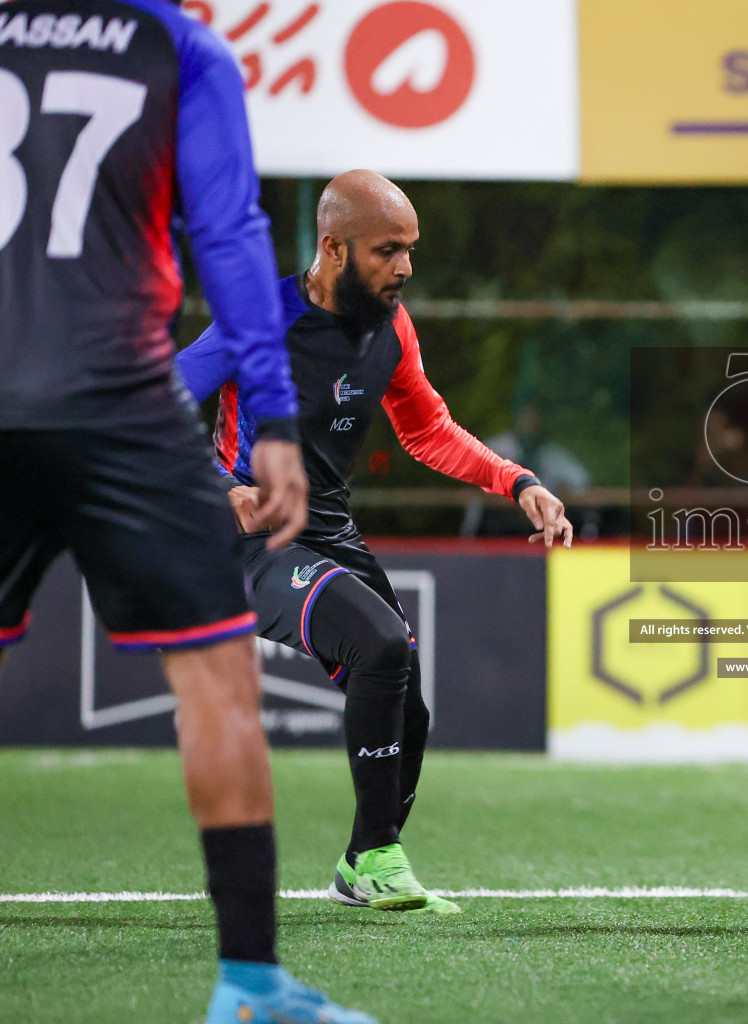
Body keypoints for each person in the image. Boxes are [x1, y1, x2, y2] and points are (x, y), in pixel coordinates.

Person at [0, 2, 375, 1021]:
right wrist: (279, 417)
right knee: (215, 674)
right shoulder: (181, 46)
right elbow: (230, 230)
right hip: (119, 400)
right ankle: (250, 985)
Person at [177, 171, 573, 916]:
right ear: (332, 248)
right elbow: (156, 403)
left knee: (408, 709)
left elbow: (428, 432)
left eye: (411, 250)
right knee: (384, 645)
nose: (407, 268)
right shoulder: (255, 317)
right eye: (389, 251)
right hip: (254, 543)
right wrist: (216, 487)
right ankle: (382, 858)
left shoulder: (392, 327)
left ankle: (363, 862)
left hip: (330, 531)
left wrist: (517, 480)